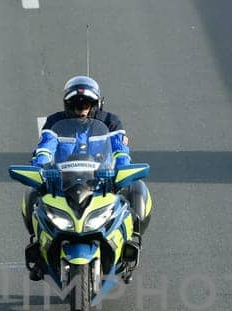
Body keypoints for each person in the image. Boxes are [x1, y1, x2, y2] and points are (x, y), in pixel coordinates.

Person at [22, 75, 152, 281]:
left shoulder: (110, 121)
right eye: (75, 103)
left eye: (86, 103)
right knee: (31, 193)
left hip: (102, 182)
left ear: (96, 103)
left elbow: (120, 150)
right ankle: (39, 252)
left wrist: (122, 170)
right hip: (62, 183)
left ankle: (131, 246)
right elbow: (46, 147)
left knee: (137, 188)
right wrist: (40, 166)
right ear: (67, 104)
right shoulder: (55, 121)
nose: (81, 107)